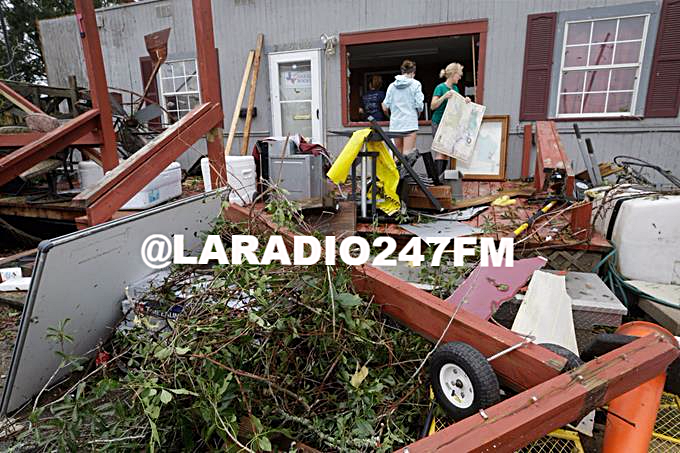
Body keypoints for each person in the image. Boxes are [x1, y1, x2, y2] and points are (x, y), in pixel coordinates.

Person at [430, 62, 471, 171]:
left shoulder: (455, 88)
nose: (460, 77)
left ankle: (442, 178)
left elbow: (459, 106)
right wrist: (444, 96)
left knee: (447, 151)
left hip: (449, 124)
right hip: (438, 122)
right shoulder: (440, 88)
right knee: (440, 150)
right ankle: (438, 179)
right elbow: (433, 106)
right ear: (453, 74)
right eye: (459, 74)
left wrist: (466, 101)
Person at [381, 59, 424, 154]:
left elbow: (384, 106)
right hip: (410, 123)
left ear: (402, 71)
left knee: (398, 154)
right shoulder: (416, 84)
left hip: (396, 123)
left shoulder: (392, 86)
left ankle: (397, 169)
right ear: (413, 72)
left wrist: (390, 116)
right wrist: (417, 115)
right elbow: (419, 105)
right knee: (407, 154)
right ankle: (405, 170)